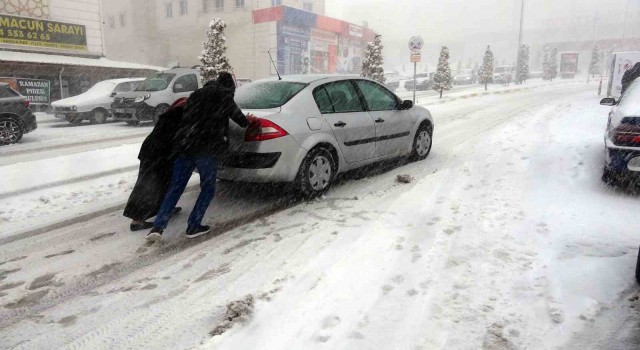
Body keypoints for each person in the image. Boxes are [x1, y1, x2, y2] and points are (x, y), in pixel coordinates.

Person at [146, 72, 257, 241]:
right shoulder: (224, 95)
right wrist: (249, 121)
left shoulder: (195, 95)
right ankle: (194, 225)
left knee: (175, 188)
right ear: (229, 87)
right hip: (206, 149)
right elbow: (239, 118)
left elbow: (187, 119)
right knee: (207, 188)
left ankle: (158, 227)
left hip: (184, 146)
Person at [124, 98, 187, 231]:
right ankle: (137, 220)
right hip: (156, 154)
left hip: (155, 151)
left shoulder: (170, 115)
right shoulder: (179, 118)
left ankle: (165, 208)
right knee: (148, 186)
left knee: (164, 182)